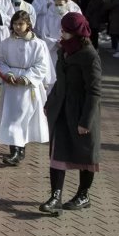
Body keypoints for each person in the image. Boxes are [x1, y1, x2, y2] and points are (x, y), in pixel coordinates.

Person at [40, 12, 102, 213]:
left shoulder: (89, 55)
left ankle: (83, 194)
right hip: (61, 108)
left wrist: (86, 121)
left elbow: (94, 91)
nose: (62, 33)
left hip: (81, 110)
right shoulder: (63, 50)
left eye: (66, 31)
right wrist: (50, 101)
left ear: (77, 32)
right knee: (58, 151)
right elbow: (60, 80)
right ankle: (55, 196)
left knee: (85, 154)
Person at [0, 11, 52, 166]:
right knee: (11, 117)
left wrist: (27, 77)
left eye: (21, 24)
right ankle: (15, 151)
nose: (17, 27)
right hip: (12, 85)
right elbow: (0, 61)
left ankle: (20, 149)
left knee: (23, 118)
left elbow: (42, 65)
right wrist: (8, 73)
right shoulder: (6, 42)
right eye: (15, 23)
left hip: (28, 87)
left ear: (28, 25)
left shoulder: (37, 44)